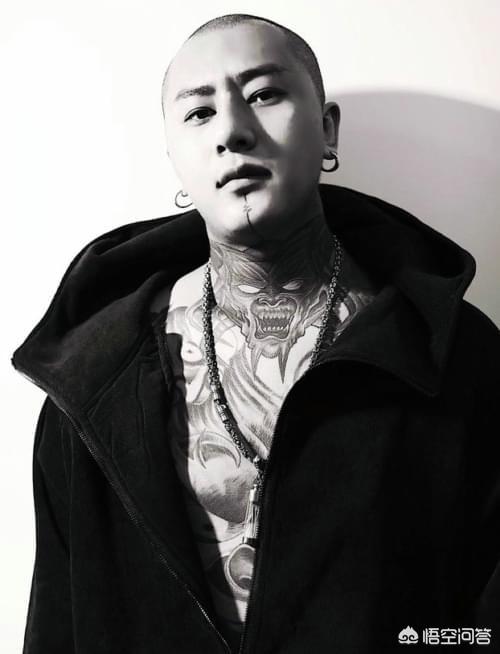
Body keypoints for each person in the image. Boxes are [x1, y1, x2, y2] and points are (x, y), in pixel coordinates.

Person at [12, 12, 500, 654]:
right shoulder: (91, 379)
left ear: (327, 129)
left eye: (265, 94)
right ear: (174, 157)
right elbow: (58, 623)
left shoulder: (453, 354)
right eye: (198, 113)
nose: (232, 131)